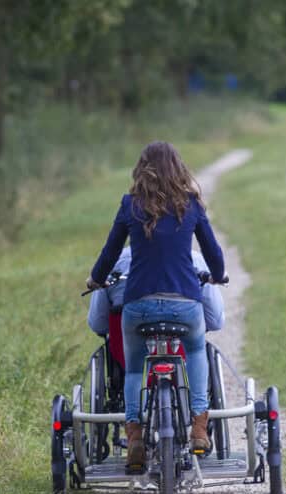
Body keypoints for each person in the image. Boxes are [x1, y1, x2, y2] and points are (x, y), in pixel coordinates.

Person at [87, 141, 225, 469]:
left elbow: (109, 254)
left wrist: (96, 279)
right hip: (185, 305)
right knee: (194, 352)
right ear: (179, 169)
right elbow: (213, 253)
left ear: (142, 169)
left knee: (134, 367)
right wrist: (218, 275)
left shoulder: (130, 205)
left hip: (139, 306)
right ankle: (199, 428)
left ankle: (134, 437)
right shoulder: (190, 206)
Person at [87, 246, 225, 337]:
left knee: (133, 370)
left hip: (126, 346)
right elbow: (214, 321)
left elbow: (98, 323)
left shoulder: (115, 262)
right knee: (196, 350)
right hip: (185, 340)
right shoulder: (196, 260)